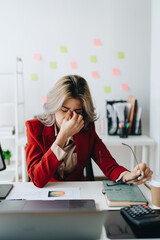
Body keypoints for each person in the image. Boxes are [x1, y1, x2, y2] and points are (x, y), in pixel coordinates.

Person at [25, 75, 153, 188]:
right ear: (53, 107)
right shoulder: (34, 128)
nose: (71, 117)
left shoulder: (86, 128)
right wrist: (63, 136)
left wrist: (129, 175)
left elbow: (109, 165)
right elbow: (37, 179)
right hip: (45, 194)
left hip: (78, 192)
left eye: (78, 111)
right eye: (64, 110)